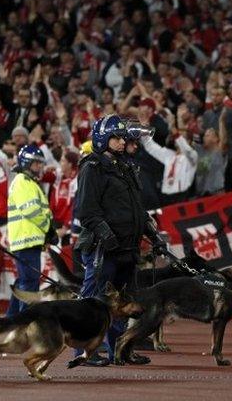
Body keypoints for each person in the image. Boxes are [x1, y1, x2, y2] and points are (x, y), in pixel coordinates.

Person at [72, 115, 166, 366]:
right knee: (93, 300)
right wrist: (107, 236)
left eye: (123, 137)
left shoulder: (126, 167)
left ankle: (120, 351)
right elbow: (86, 212)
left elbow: (138, 209)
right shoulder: (92, 166)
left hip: (127, 248)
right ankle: (85, 352)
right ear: (103, 138)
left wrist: (154, 236)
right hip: (103, 248)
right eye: (116, 137)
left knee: (123, 302)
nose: (122, 141)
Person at [6, 144, 55, 316]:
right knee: (29, 285)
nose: (40, 166)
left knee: (23, 283)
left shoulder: (28, 182)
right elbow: (32, 211)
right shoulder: (23, 182)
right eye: (36, 163)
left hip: (29, 240)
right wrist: (49, 228)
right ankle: (25, 324)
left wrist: (48, 230)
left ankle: (11, 321)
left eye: (41, 163)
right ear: (27, 163)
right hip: (27, 241)